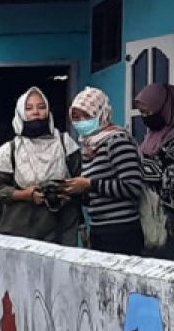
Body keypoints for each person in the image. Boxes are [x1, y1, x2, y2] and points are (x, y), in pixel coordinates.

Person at [0, 87, 81, 246]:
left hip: (61, 231)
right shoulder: (10, 150)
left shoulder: (65, 144)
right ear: (21, 113)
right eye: (29, 109)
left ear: (48, 111)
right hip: (19, 234)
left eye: (41, 107)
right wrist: (25, 195)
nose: (36, 112)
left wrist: (65, 193)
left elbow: (81, 182)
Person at [63, 87, 145, 256]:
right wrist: (74, 191)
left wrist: (89, 184)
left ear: (102, 113)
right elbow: (97, 196)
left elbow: (132, 186)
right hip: (100, 228)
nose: (81, 122)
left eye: (87, 116)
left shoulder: (117, 141)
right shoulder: (89, 146)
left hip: (121, 231)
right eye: (76, 117)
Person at [135, 82, 174, 254]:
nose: (145, 117)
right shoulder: (151, 137)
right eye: (142, 113)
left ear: (165, 107)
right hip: (153, 216)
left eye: (149, 111)